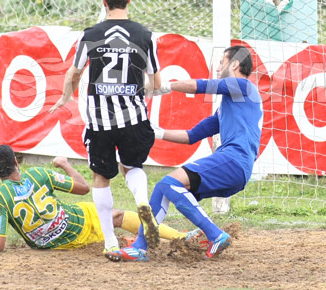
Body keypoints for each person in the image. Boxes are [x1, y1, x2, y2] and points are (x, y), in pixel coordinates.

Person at [110, 45, 263, 262]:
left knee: (169, 183)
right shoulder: (229, 106)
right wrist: (155, 132)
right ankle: (140, 247)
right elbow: (191, 136)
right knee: (163, 189)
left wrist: (165, 86)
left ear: (235, 64)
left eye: (221, 62)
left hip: (233, 161)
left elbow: (198, 86)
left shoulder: (242, 85)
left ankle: (215, 234)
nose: (218, 68)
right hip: (236, 167)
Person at [49, 0, 162, 261]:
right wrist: (141, 92)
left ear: (103, 1)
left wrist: (65, 97)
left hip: (100, 122)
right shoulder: (145, 36)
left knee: (101, 176)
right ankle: (141, 201)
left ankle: (110, 242)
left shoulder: (90, 35)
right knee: (132, 166)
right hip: (133, 117)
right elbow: (156, 82)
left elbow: (74, 74)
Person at [0, 145, 185, 253]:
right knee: (116, 216)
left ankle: (130, 240)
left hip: (53, 245)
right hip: (78, 224)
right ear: (16, 161)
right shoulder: (39, 174)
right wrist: (65, 165)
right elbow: (84, 188)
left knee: (110, 227)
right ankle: (181, 238)